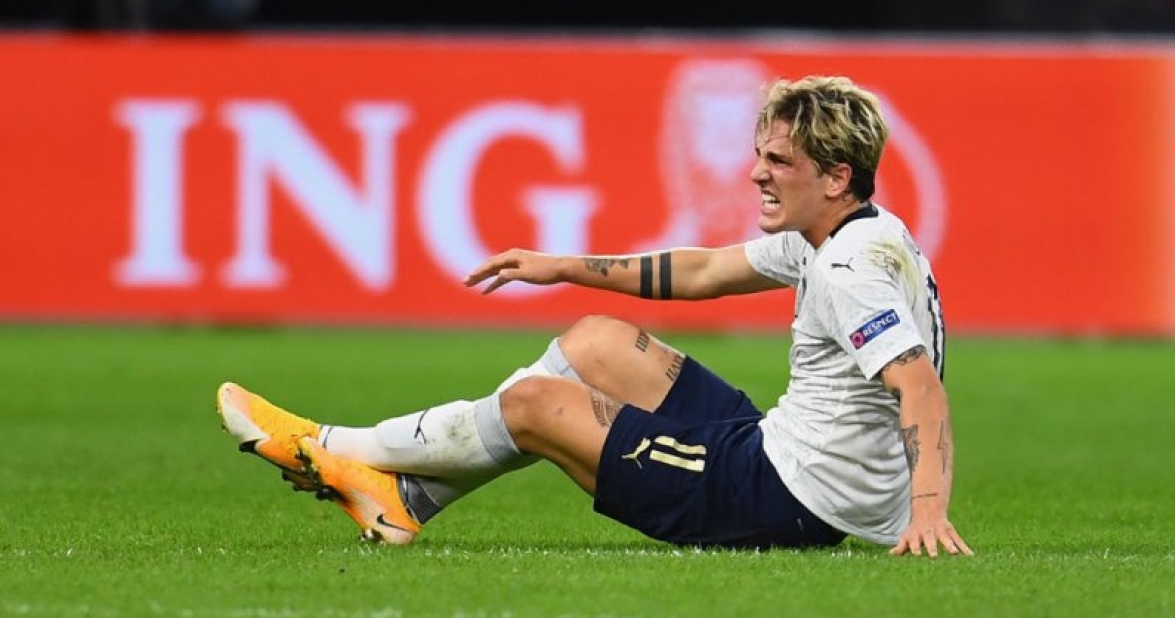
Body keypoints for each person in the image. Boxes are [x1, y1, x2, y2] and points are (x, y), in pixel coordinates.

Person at [216, 74, 972, 557]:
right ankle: (406, 498)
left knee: (533, 404)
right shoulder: (852, 233)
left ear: (837, 176)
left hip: (782, 499)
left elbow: (920, 387)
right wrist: (564, 266)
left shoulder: (845, 268)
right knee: (597, 342)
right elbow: (704, 271)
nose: (755, 173)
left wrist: (927, 513)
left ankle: (331, 447)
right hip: (784, 454)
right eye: (760, 154)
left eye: (780, 161)